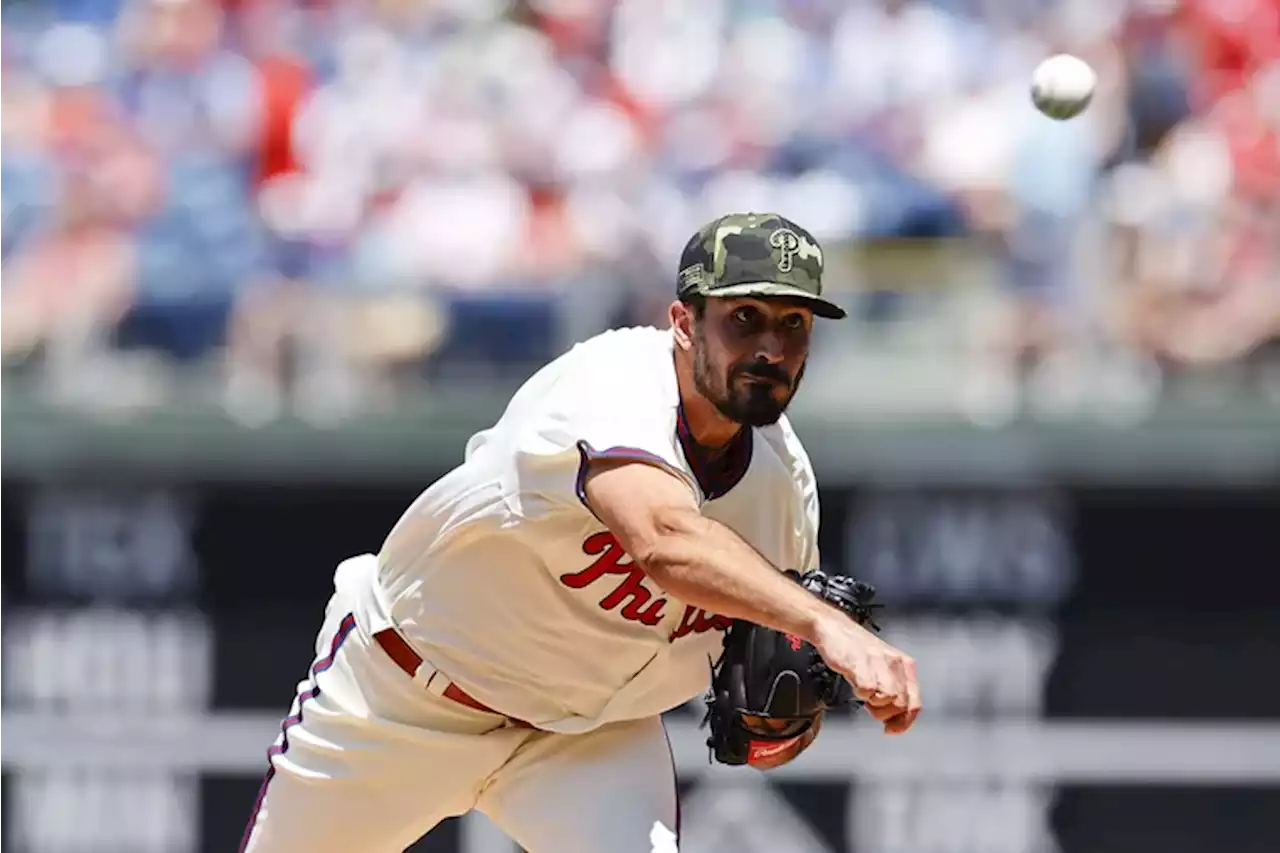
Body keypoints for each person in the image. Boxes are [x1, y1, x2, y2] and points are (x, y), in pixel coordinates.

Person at [239, 212, 922, 853]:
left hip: (587, 741)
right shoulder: (613, 381)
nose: (772, 347)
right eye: (745, 317)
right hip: (405, 698)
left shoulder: (782, 486)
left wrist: (787, 714)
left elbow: (770, 667)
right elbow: (664, 538)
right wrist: (830, 626)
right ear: (684, 322)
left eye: (794, 324)